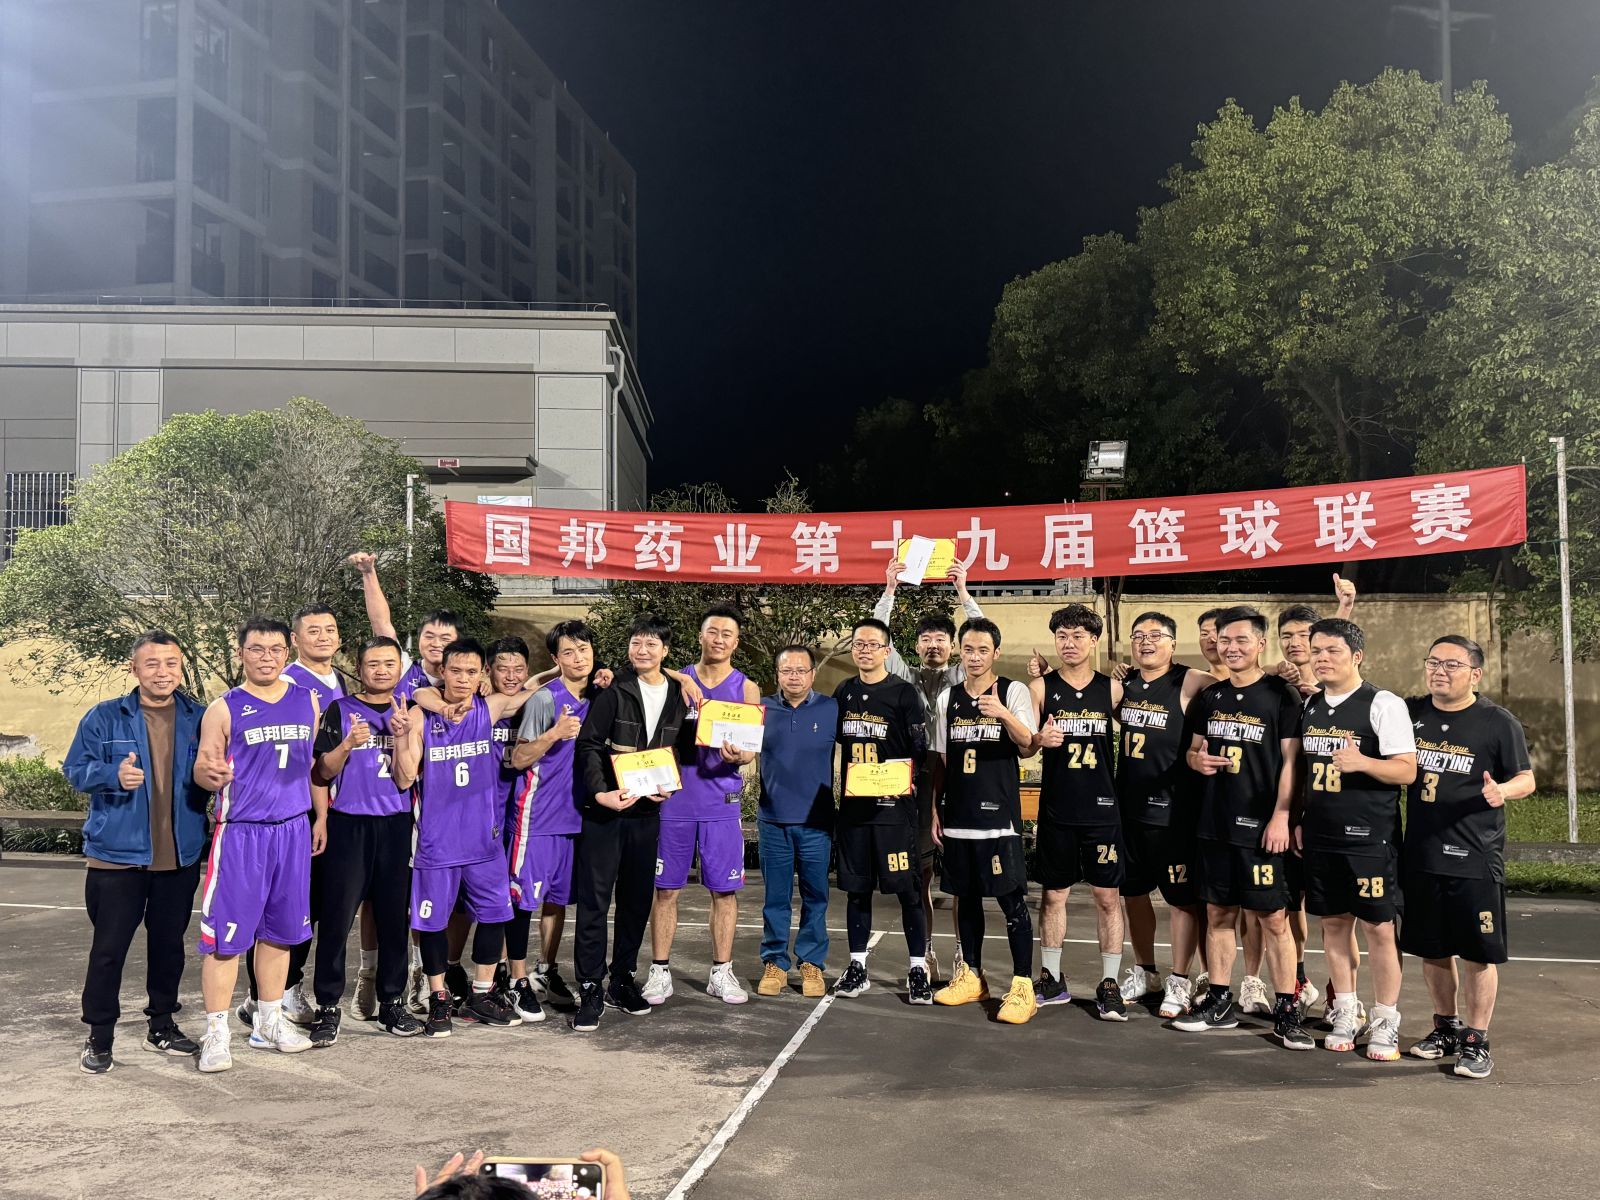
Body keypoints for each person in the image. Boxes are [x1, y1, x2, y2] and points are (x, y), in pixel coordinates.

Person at [65, 630, 210, 1074]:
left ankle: (161, 1026)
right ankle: (100, 1036)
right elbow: (75, 769)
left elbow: (216, 769)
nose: (162, 672)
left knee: (169, 947)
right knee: (108, 951)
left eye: (171, 663)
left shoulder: (201, 717)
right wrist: (112, 775)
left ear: (181, 667)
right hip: (116, 857)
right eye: (152, 663)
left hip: (180, 856)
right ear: (134, 669)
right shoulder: (105, 717)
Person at [1172, 606, 1312, 1050]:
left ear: (1260, 644)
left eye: (1241, 640)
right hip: (1215, 825)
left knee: (1273, 919)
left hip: (1262, 829)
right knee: (1218, 915)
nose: (1231, 648)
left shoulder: (1281, 695)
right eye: (1224, 641)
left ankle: (1287, 1009)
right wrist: (1197, 761)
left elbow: (1292, 762)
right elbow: (1192, 751)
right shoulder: (1209, 697)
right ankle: (1218, 1001)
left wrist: (1282, 816)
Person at [192, 618, 323, 1072]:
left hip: (293, 829)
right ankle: (216, 1033)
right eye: (256, 649)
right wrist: (210, 775)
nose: (266, 657)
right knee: (225, 942)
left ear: (287, 652)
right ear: (241, 653)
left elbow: (311, 768)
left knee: (280, 933)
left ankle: (269, 1022)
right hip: (243, 833)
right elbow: (203, 767)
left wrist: (320, 817)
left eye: (274, 649)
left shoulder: (307, 700)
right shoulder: (223, 708)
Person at [1401, 635, 1534, 1079]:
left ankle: (1477, 1041)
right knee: (1433, 949)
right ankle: (1447, 1027)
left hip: (1474, 856)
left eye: (1452, 664)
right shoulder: (1412, 712)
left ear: (1475, 673)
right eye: (1433, 662)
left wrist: (1503, 791)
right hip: (1422, 853)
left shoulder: (1497, 722)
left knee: (1478, 953)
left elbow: (1527, 778)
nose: (1439, 670)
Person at [396, 639, 534, 1037]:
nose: (462, 678)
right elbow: (404, 779)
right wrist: (402, 737)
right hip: (437, 843)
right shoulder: (420, 715)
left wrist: (564, 671)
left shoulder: (489, 708)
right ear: (442, 672)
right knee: (433, 923)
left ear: (482, 675)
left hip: (483, 843)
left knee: (496, 915)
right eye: (455, 670)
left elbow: (532, 690)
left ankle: (481, 994)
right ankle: (439, 998)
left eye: (471, 672)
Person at [1297, 618, 1416, 1059]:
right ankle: (1346, 1009)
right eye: (1317, 650)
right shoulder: (1311, 705)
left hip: (1369, 838)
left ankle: (1387, 1019)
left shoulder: (1383, 703)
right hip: (1321, 835)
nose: (1322, 658)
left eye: (1333, 650)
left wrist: (1363, 762)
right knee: (1333, 924)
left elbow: (1407, 770)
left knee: (1378, 928)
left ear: (1357, 656)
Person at [570, 614, 696, 1032]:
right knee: (594, 902)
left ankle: (621, 979)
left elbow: (678, 750)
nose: (641, 651)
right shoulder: (612, 688)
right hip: (606, 813)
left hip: (646, 815)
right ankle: (590, 986)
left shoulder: (678, 694)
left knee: (636, 902)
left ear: (665, 651)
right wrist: (600, 793)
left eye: (651, 644)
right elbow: (589, 744)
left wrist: (668, 786)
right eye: (635, 643)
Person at [350, 550, 461, 1010]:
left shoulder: (466, 679)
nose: (436, 643)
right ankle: (369, 972)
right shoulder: (404, 672)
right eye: (429, 635)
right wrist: (369, 573)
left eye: (445, 637)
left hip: (443, 805)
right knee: (377, 896)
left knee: (427, 894)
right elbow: (381, 623)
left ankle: (421, 973)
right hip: (395, 796)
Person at [306, 635, 421, 1043]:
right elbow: (322, 771)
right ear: (359, 667)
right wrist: (347, 744)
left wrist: (402, 735)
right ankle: (327, 1007)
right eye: (373, 663)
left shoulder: (411, 710)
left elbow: (407, 779)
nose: (381, 670)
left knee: (393, 919)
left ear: (399, 669)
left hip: (395, 825)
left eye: (389, 663)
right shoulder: (340, 709)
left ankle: (392, 1003)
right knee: (336, 920)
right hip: (348, 826)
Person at [874, 556, 985, 978]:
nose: (933, 645)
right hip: (918, 785)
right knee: (919, 876)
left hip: (961, 783)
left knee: (960, 879)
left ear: (954, 647)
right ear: (916, 646)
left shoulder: (961, 676)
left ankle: (962, 955)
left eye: (941, 639)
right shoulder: (905, 677)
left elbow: (983, 636)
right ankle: (925, 952)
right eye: (926, 639)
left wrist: (963, 593)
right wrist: (889, 590)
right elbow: (877, 636)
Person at [240, 603, 349, 1028]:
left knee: (310, 905)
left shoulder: (338, 680)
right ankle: (270, 994)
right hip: (289, 813)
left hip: (330, 809)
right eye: (313, 630)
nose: (323, 636)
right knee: (284, 907)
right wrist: (315, 814)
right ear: (295, 641)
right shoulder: (287, 683)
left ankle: (274, 992)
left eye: (330, 629)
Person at [646, 606, 760, 1006]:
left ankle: (721, 972)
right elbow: (643, 673)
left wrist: (739, 756)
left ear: (736, 642)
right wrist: (678, 677)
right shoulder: (674, 681)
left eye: (727, 634)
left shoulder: (747, 688)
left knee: (724, 892)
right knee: (665, 890)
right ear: (700, 636)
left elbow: (750, 751)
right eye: (712, 631)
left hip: (721, 801)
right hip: (674, 799)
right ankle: (659, 971)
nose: (719, 639)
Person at [929, 618, 1039, 1023]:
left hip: (999, 819)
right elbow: (943, 759)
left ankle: (1023, 985)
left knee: (1011, 901)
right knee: (966, 897)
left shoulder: (1013, 690)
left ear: (996, 652)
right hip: (959, 816)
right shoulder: (948, 698)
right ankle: (972, 976)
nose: (974, 657)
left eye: (982, 650)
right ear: (960, 651)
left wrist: (1003, 714)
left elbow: (1028, 744)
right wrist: (935, 808)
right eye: (968, 649)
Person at [1113, 612, 1216, 1018]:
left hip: (1173, 812)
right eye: (1139, 635)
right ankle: (1145, 970)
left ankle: (1180, 978)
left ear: (1173, 643)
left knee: (1181, 900)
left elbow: (1234, 682)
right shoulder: (1125, 684)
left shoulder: (1190, 681)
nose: (1146, 641)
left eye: (1156, 635)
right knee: (1133, 894)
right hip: (1128, 809)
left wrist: (1282, 676)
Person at [1030, 604, 1129, 1020]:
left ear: (1093, 641)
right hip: (1057, 809)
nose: (1069, 643)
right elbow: (1024, 744)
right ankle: (1052, 978)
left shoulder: (1113, 689)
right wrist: (1039, 738)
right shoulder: (1040, 687)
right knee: (1054, 895)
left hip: (1102, 809)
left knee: (1108, 897)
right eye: (1062, 636)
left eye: (1077, 636)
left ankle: (1109, 983)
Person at [832, 617, 932, 1003]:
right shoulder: (843, 691)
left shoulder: (904, 693)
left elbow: (919, 746)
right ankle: (857, 967)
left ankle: (917, 968)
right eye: (859, 644)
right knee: (857, 890)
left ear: (887, 651)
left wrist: (903, 779)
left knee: (908, 890)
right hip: (855, 811)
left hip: (893, 809)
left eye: (873, 644)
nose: (865, 650)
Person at [503, 621, 597, 1020]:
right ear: (556, 659)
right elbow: (518, 758)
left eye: (583, 649)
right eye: (568, 652)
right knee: (522, 901)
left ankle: (545, 970)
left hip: (576, 818)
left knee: (557, 901)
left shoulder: (599, 696)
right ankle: (515, 979)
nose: (578, 658)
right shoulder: (545, 699)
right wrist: (554, 733)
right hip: (536, 817)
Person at [755, 645, 837, 998]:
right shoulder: (760, 710)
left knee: (816, 896)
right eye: (787, 670)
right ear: (777, 674)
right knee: (776, 898)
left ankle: (811, 963)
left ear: (813, 674)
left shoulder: (831, 708)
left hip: (817, 822)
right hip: (773, 820)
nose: (794, 677)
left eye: (801, 670)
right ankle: (775, 961)